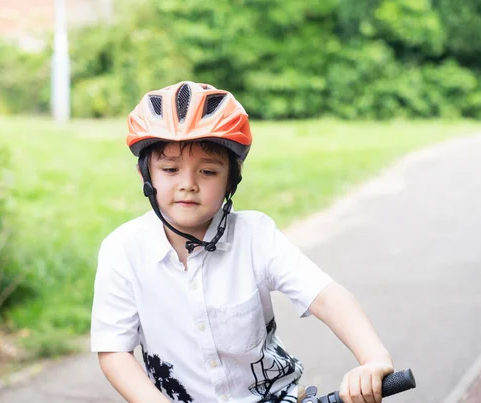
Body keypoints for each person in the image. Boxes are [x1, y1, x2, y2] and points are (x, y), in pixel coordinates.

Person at [91, 81, 394, 403]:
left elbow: (326, 297)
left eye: (207, 172)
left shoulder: (255, 236)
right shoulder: (123, 250)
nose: (188, 185)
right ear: (146, 176)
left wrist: (374, 358)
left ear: (230, 181)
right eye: (170, 169)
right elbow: (114, 350)